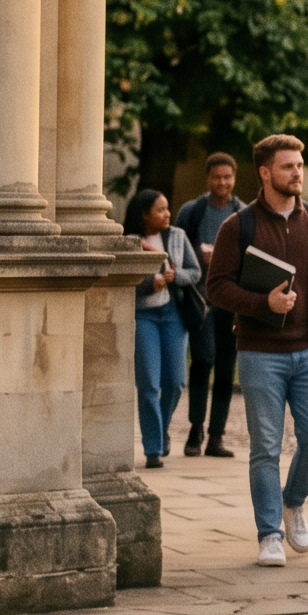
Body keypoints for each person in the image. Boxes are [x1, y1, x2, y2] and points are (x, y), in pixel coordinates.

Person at [204, 134, 308, 568]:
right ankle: (269, 533)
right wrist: (262, 303)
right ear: (265, 173)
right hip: (259, 353)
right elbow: (217, 288)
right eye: (288, 167)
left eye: (299, 165)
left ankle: (293, 501)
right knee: (265, 446)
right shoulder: (238, 226)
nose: (297, 173)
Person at [176, 153, 249, 457]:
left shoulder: (244, 214)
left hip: (232, 302)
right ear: (209, 179)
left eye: (227, 177)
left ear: (234, 178)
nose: (223, 182)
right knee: (203, 361)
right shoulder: (192, 211)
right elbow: (175, 247)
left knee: (225, 367)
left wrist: (224, 256)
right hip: (202, 301)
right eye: (217, 177)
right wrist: (199, 252)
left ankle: (216, 436)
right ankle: (195, 430)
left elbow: (254, 257)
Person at [125, 188, 200, 471]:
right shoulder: (130, 242)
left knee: (176, 382)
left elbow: (194, 272)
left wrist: (174, 276)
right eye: (160, 210)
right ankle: (153, 449)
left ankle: (161, 429)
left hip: (173, 315)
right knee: (148, 385)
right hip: (144, 316)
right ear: (144, 215)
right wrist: (149, 284)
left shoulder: (178, 237)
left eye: (167, 208)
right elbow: (123, 281)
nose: (167, 214)